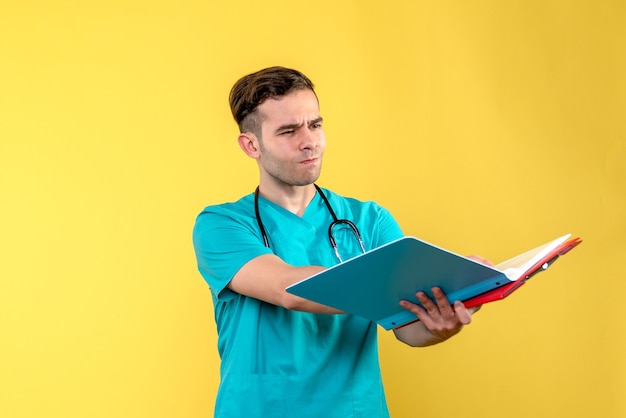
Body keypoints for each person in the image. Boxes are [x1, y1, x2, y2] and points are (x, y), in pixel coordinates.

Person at [192, 66, 481, 417]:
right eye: (288, 131)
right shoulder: (222, 225)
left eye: (315, 125)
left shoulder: (369, 221)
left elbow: (408, 329)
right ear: (251, 144)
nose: (309, 141)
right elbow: (290, 290)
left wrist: (441, 320)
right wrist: (399, 285)